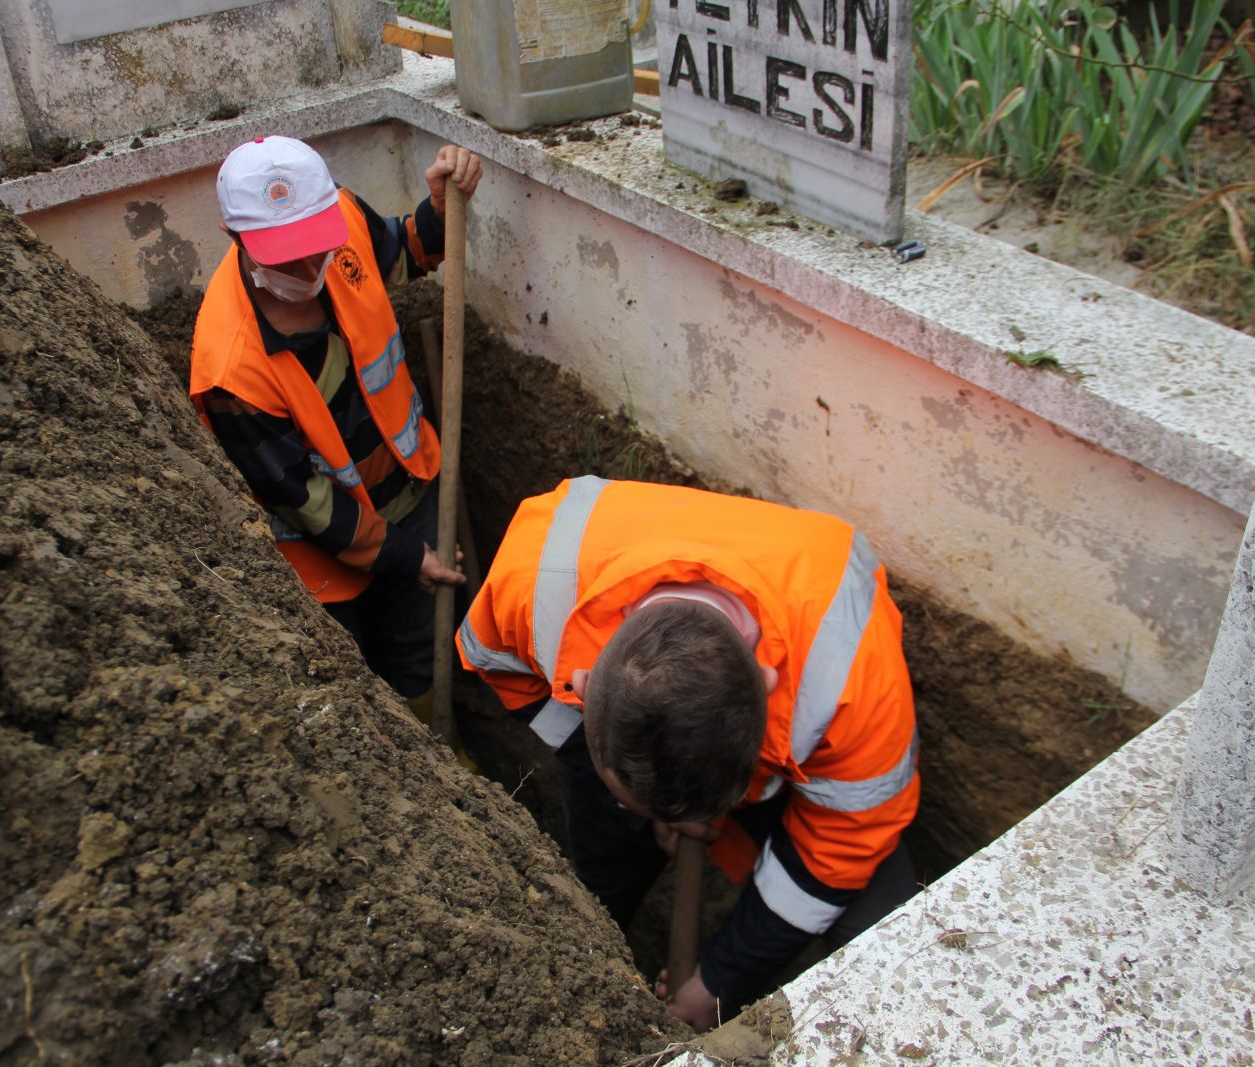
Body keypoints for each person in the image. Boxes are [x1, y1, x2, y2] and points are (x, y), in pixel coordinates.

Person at [455, 476, 921, 1030]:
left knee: (879, 911)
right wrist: (626, 798)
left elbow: (844, 841)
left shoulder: (851, 683)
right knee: (603, 859)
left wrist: (721, 981)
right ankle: (585, 961)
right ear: (579, 681)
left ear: (770, 686)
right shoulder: (534, 585)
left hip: (808, 746)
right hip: (629, 742)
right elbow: (499, 665)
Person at [189, 135, 482, 712]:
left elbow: (399, 251)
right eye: (283, 255)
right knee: (349, 687)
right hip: (323, 552)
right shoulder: (232, 371)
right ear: (235, 240)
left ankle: (441, 752)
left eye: (314, 245)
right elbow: (306, 500)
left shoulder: (341, 220)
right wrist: (404, 556)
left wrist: (437, 215)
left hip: (408, 484)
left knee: (420, 642)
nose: (307, 267)